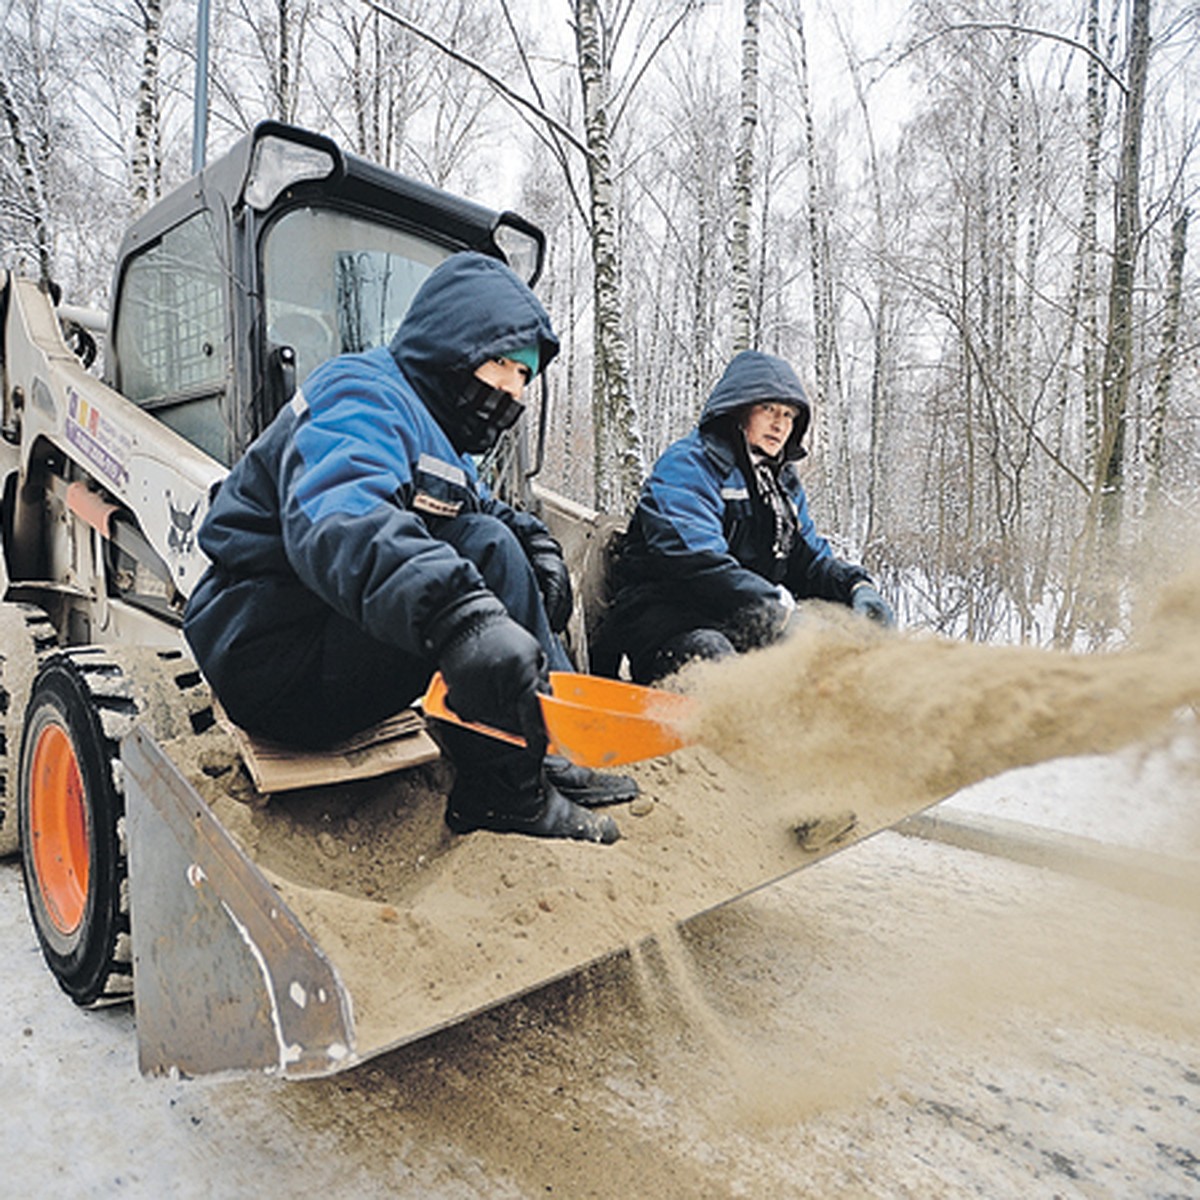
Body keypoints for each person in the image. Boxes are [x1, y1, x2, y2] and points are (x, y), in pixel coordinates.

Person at [184, 251, 636, 845]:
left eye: (525, 377)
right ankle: (505, 794)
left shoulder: (434, 434)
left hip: (316, 639)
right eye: (504, 365)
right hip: (271, 654)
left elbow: (474, 509)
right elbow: (342, 516)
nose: (513, 392)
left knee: (497, 540)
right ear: (457, 346)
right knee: (484, 552)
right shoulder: (363, 395)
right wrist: (460, 617)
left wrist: (540, 547)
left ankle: (544, 746)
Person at [599, 349, 895, 684]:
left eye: (789, 414)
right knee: (717, 663)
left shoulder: (781, 484)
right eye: (767, 408)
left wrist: (855, 585)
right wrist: (779, 612)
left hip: (740, 619)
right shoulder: (690, 464)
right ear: (739, 409)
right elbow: (695, 561)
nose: (779, 423)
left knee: (832, 668)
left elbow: (809, 560)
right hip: (668, 620)